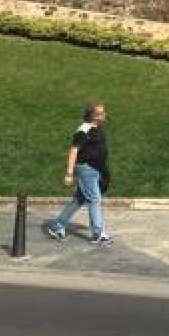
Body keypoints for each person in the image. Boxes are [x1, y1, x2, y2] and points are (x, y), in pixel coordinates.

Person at [46, 103, 113, 246]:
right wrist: (69, 173)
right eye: (100, 113)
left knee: (79, 199)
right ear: (92, 116)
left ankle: (57, 226)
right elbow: (74, 150)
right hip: (86, 169)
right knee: (94, 199)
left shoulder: (98, 128)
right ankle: (98, 234)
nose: (104, 115)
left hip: (96, 169)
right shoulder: (83, 130)